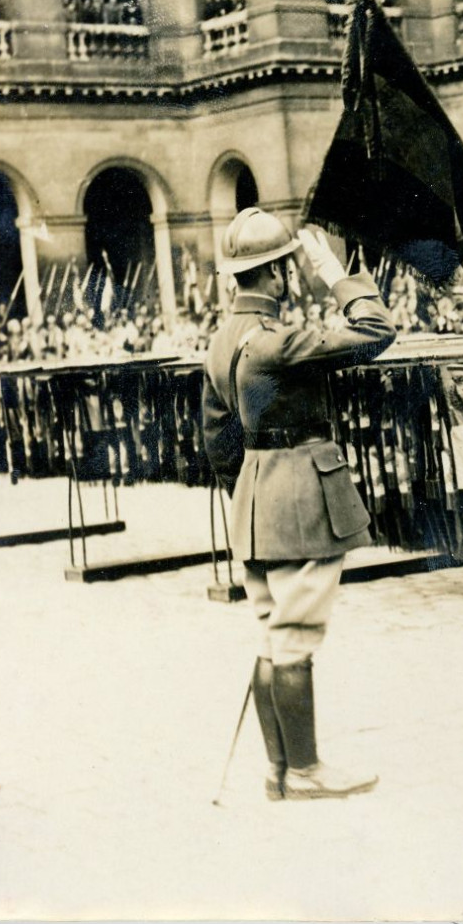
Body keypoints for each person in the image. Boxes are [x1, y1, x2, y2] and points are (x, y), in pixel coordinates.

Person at [201, 209, 396, 800]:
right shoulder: (278, 342)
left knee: (272, 633)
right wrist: (334, 272)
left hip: (258, 498)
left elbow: (216, 438)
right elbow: (376, 330)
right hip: (301, 497)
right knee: (294, 636)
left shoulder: (221, 339)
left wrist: (253, 488)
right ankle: (307, 772)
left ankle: (280, 770)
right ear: (281, 274)